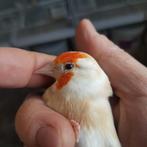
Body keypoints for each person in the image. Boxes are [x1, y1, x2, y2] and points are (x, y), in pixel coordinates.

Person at [0, 19, 147, 147]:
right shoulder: (52, 92)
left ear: (89, 73)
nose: (51, 69)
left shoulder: (99, 95)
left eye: (68, 67)